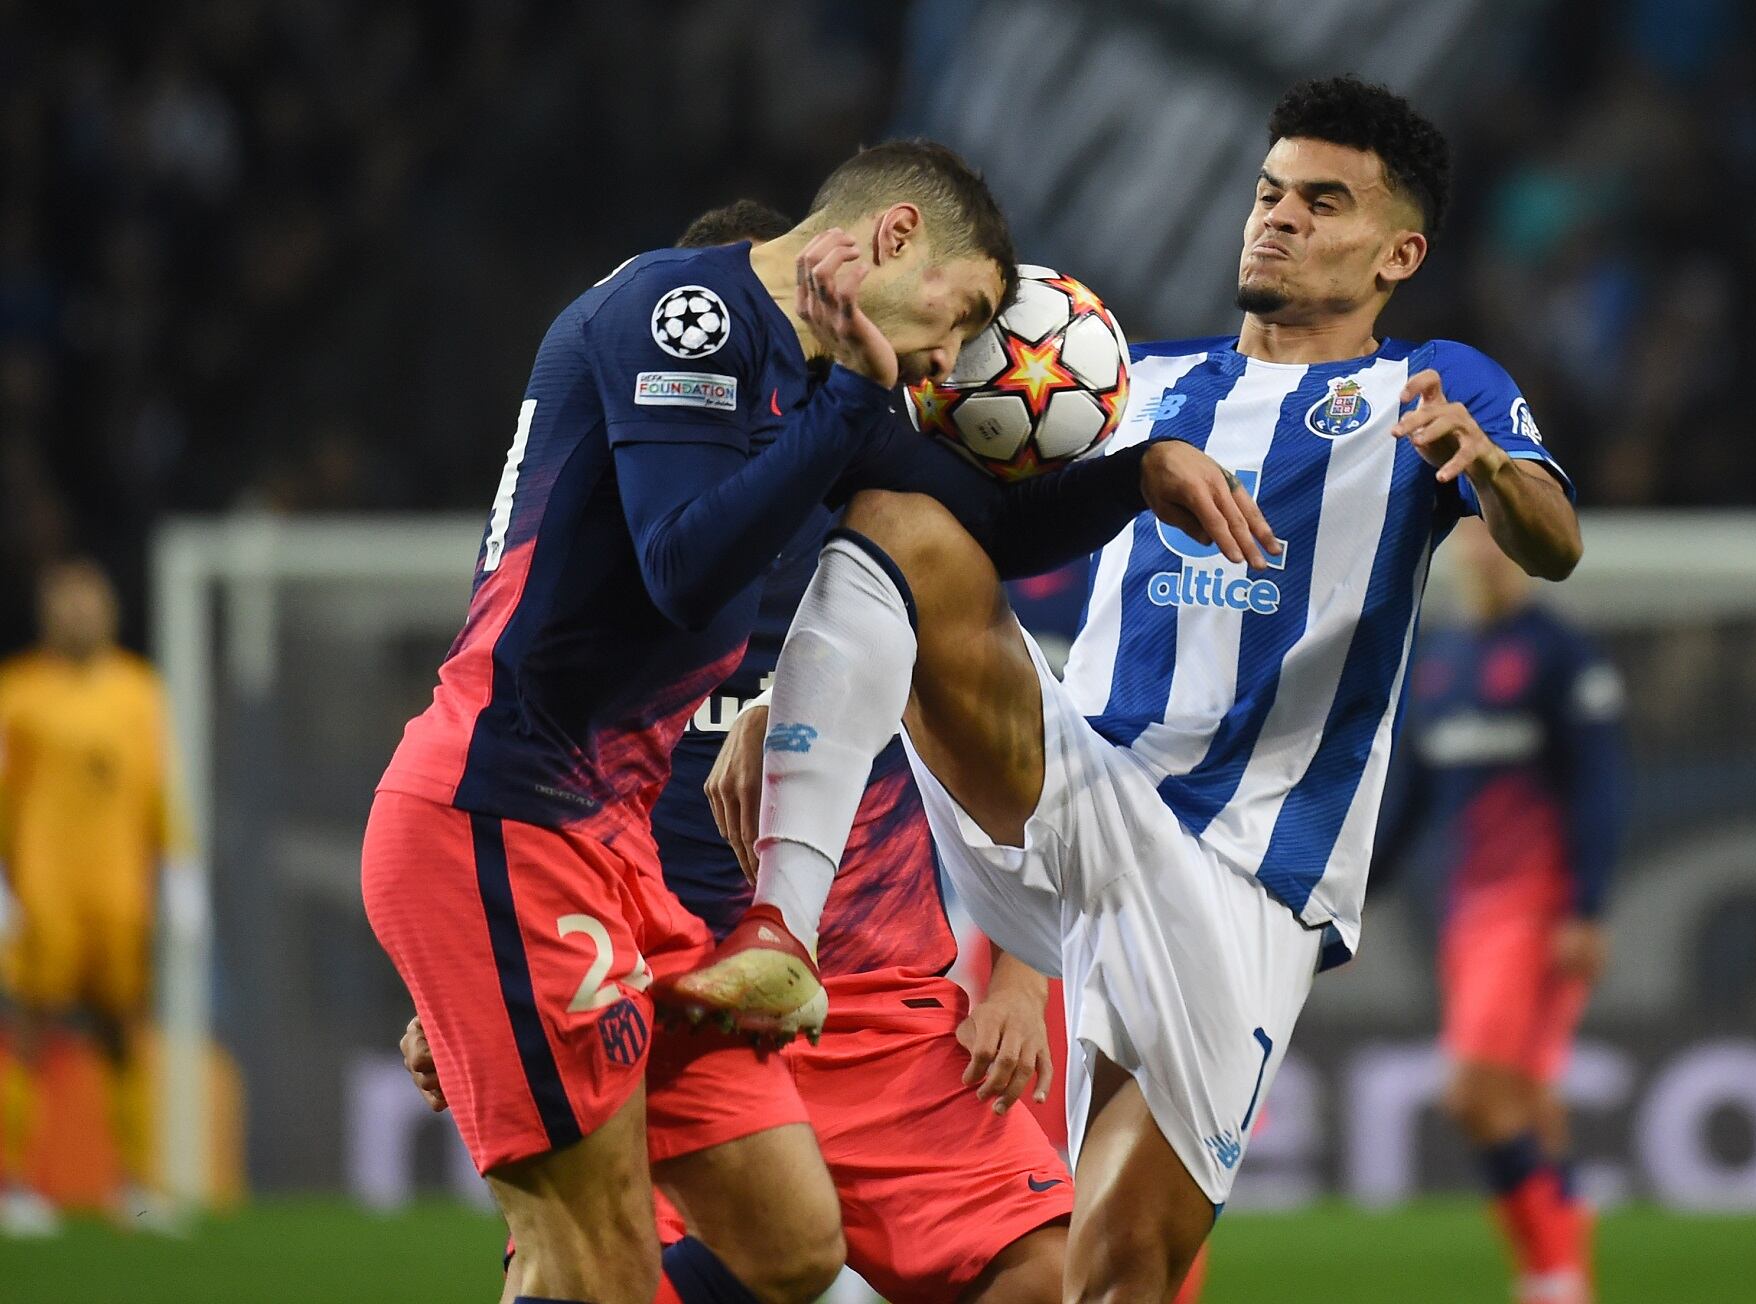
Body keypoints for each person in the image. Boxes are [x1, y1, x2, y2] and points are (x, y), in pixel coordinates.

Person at [681, 75, 1583, 1300]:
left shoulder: (1428, 388)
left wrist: (1487, 470)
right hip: (1083, 783)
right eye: (1270, 194)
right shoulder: (1121, 383)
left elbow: (1551, 541)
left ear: (1398, 251)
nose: (1278, 220)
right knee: (898, 515)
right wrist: (794, 680)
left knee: (1113, 1269)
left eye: (1323, 205)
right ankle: (779, 924)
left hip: (1245, 874)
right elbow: (951, 548)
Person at [362, 137, 1250, 1304]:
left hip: (621, 856)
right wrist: (847, 408)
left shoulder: (811, 384)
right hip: (510, 805)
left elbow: (973, 525)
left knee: (790, 1241)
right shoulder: (684, 311)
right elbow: (682, 569)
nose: (958, 354)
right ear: (893, 238)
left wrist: (1138, 477)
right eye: (967, 307)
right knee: (603, 1261)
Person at [1375, 520, 1626, 1304]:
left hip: (1538, 905)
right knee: (1525, 1101)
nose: (1484, 552)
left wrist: (1586, 907)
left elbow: (1598, 786)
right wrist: (1347, 893)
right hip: (1467, 909)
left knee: (1474, 1094)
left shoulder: (1559, 653)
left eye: (1497, 540)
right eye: (1473, 538)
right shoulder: (1441, 662)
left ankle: (1553, 1273)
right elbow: (1410, 801)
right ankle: (1557, 1272)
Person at [0, 560, 181, 1235]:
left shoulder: (140, 693)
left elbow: (161, 792)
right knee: (26, 1034)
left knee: (123, 1036)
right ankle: (16, 1186)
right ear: (47, 614)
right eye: (66, 603)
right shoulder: (17, 695)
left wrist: (180, 875)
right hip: (43, 894)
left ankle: (134, 1186)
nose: (79, 615)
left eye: (90, 602)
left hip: (118, 896)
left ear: (110, 610)